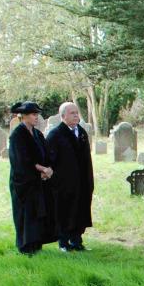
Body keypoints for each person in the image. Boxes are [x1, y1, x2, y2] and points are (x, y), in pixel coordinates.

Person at [8, 101, 57, 255]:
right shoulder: (17, 135)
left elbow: (47, 153)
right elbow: (21, 160)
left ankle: (36, 244)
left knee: (38, 211)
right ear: (23, 116)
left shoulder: (37, 134)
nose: (36, 117)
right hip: (23, 181)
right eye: (33, 114)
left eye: (37, 114)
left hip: (38, 180)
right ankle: (25, 246)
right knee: (26, 213)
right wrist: (42, 169)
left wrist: (49, 168)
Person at [46, 102, 94, 252]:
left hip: (82, 181)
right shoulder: (55, 135)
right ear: (63, 116)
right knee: (64, 211)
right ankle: (63, 242)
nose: (76, 116)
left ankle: (76, 241)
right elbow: (50, 160)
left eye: (76, 113)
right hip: (64, 183)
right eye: (72, 113)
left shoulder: (81, 132)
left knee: (80, 210)